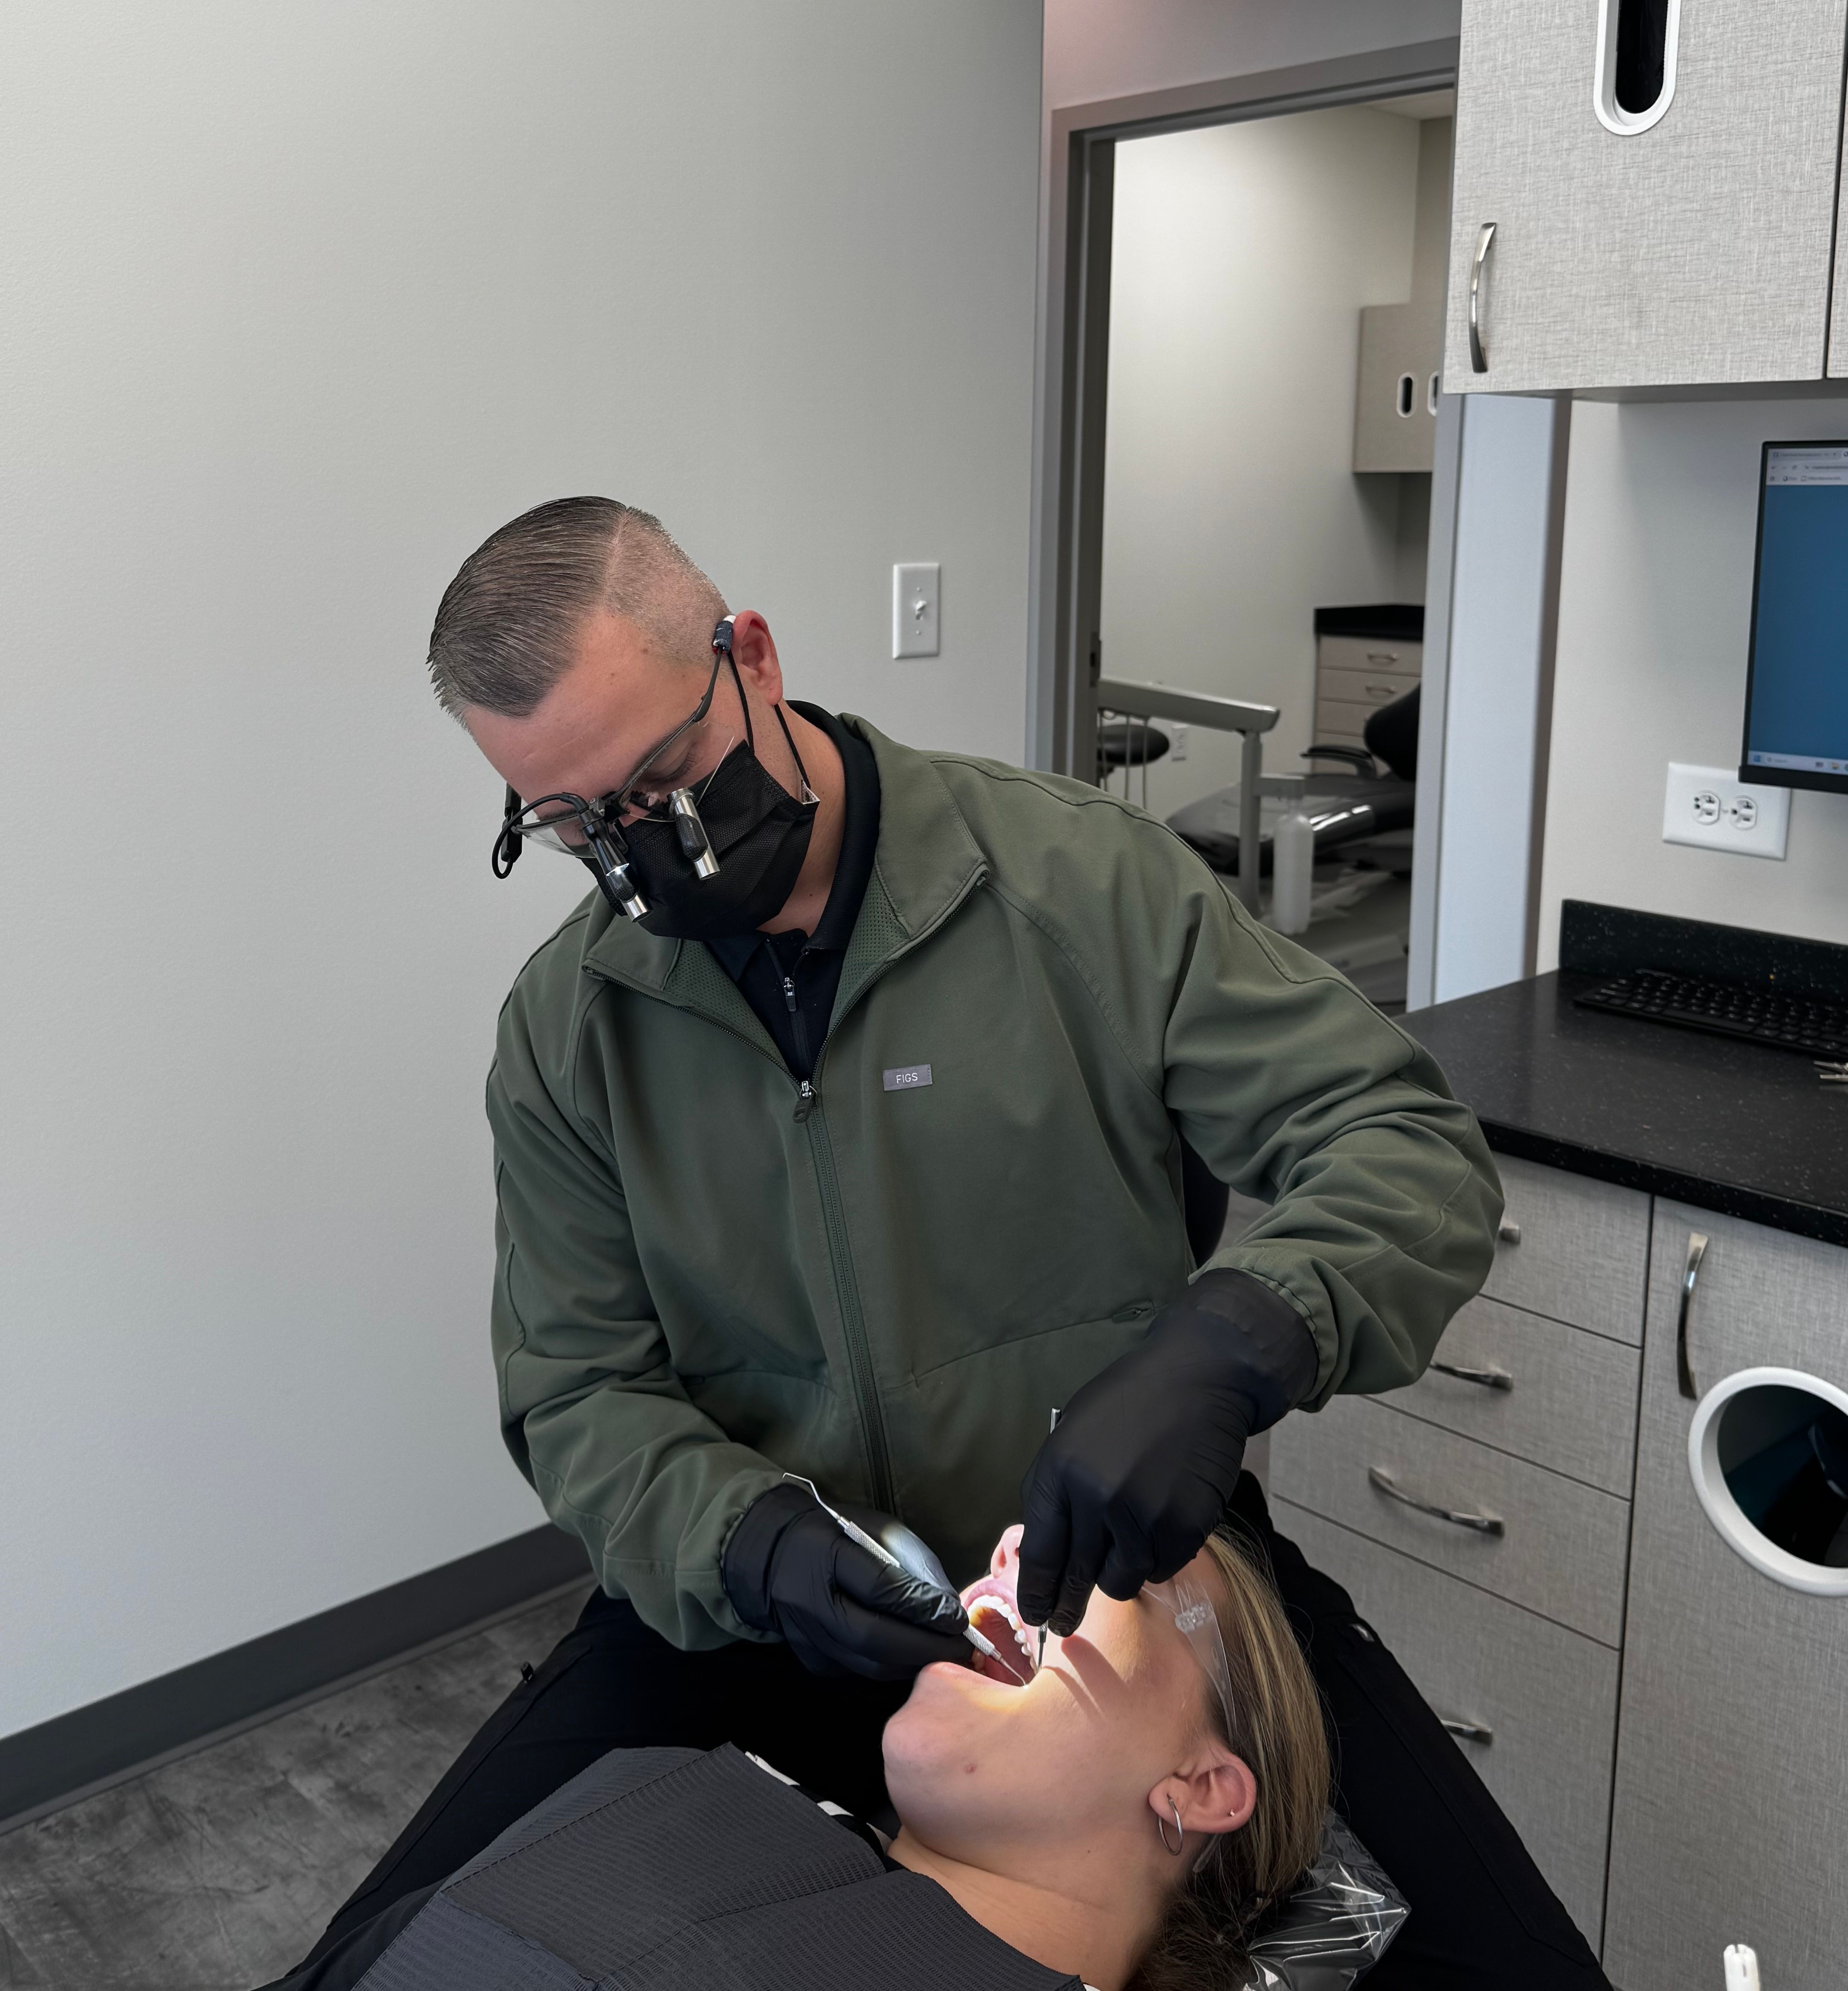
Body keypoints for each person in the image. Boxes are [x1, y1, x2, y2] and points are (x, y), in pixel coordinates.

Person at [277, 495, 1611, 1988]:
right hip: (753, 1609)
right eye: (578, 823)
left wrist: (1232, 1344)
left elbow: (1401, 1147)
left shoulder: (1080, 887)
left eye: (660, 777)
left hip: (1110, 1585)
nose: (641, 850)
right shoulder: (571, 1027)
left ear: (754, 660)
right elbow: (579, 1393)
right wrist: (744, 1539)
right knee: (389, 1956)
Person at [275, 1513, 1337, 1991]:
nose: (1016, 1543)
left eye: (1114, 1566)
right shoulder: (671, 1788)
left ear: (1201, 1789)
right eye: (1033, 1532)